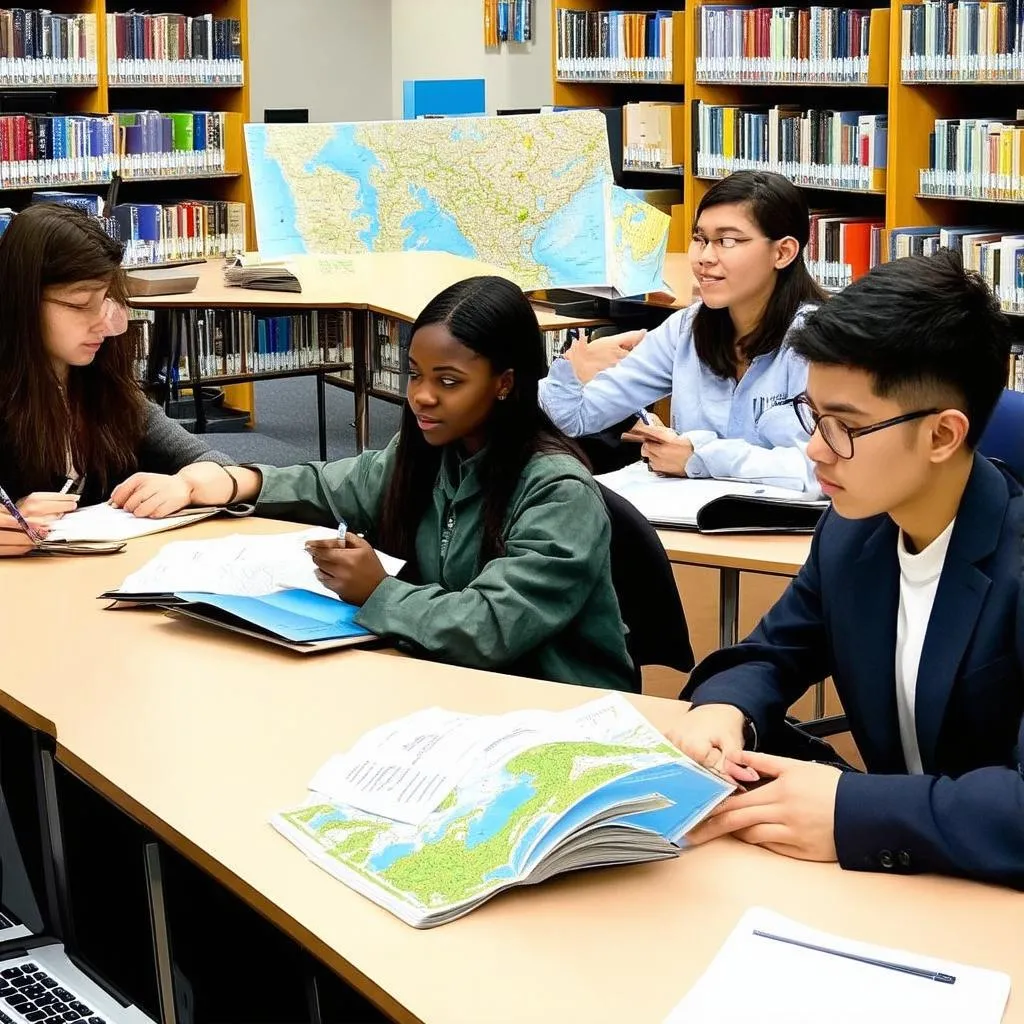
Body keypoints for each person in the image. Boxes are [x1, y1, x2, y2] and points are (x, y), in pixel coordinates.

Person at [666, 249, 1024, 889]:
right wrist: (723, 708)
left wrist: (847, 810)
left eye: (843, 426)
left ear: (943, 435)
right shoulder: (852, 532)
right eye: (812, 414)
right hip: (896, 885)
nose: (813, 448)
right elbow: (774, 650)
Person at [123, 275, 635, 690]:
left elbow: (491, 627)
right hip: (452, 681)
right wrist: (234, 482)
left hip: (553, 704)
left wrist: (379, 592)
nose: (423, 397)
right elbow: (334, 484)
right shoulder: (431, 453)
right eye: (416, 374)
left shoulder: (556, 490)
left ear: (505, 383)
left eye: (448, 381)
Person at [538, 170, 827, 492]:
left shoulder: (820, 342)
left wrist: (700, 456)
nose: (705, 257)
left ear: (783, 252)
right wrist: (574, 369)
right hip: (692, 524)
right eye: (700, 239)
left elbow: (825, 469)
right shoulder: (685, 329)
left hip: (790, 532)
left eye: (727, 241)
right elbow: (577, 418)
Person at [0, 203, 234, 557]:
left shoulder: (105, 389)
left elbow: (220, 465)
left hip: (102, 581)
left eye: (107, 301)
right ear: (23, 303)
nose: (103, 323)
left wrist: (185, 485)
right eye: (80, 304)